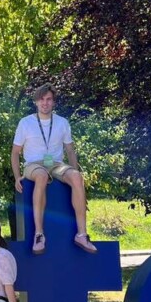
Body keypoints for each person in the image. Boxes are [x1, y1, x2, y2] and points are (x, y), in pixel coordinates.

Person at [11, 85, 98, 255]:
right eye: (42, 99)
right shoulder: (25, 122)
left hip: (56, 164)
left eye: (49, 99)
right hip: (33, 165)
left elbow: (70, 150)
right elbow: (15, 153)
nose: (45, 103)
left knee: (76, 176)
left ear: (53, 102)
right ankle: (39, 234)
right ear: (36, 102)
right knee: (42, 176)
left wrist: (75, 177)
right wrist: (16, 177)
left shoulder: (62, 122)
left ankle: (82, 234)